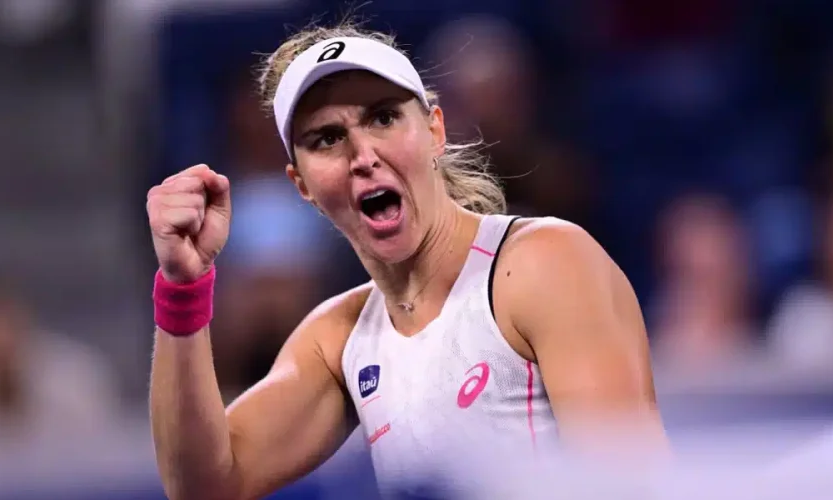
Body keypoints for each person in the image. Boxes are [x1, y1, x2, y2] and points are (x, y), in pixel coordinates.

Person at [147, 20, 666, 500]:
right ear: (301, 184)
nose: (363, 155)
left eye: (383, 117)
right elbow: (203, 486)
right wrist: (182, 286)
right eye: (327, 138)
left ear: (436, 130)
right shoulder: (337, 339)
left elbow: (628, 487)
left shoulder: (544, 263)